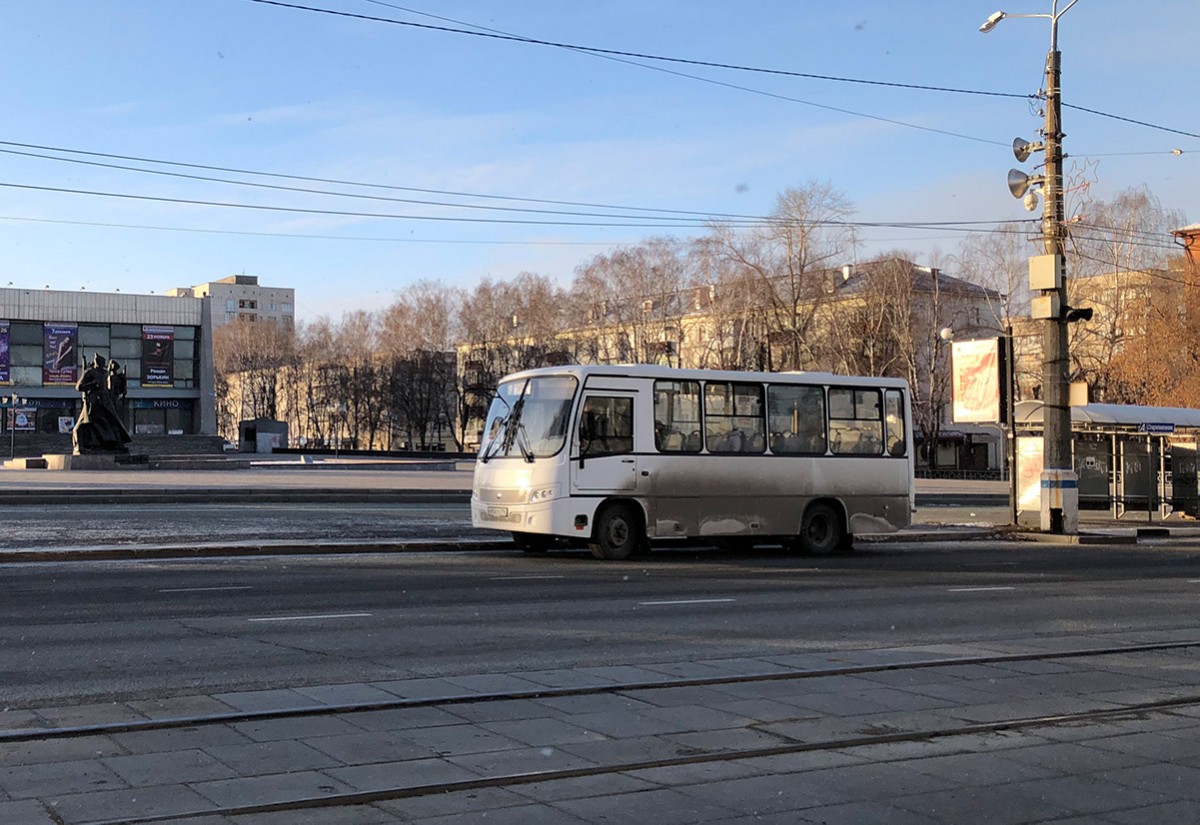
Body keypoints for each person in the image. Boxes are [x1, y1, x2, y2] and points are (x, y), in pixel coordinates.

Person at [72, 353, 132, 454]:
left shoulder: (105, 374)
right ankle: (83, 444)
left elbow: (108, 388)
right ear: (96, 362)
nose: (102, 364)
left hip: (105, 401)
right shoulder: (89, 372)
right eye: (100, 362)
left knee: (112, 421)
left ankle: (116, 444)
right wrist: (92, 384)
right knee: (89, 423)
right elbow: (79, 387)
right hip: (94, 402)